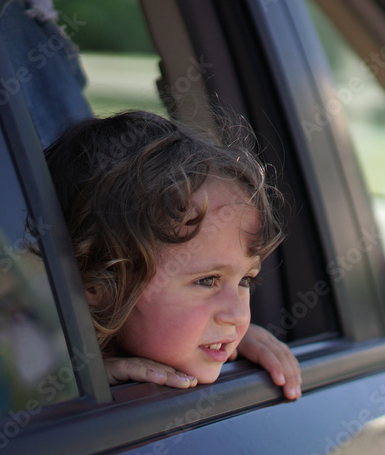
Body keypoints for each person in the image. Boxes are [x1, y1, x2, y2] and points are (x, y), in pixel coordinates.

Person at [43, 110, 302, 399]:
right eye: (207, 280)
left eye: (245, 281)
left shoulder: (239, 342)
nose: (239, 315)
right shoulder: (27, 368)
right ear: (98, 284)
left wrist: (232, 344)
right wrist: (79, 382)